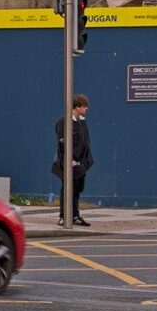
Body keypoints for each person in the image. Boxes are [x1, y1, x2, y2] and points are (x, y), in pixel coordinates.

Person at [51, 94, 94, 227]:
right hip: (69, 163)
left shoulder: (82, 121)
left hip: (82, 163)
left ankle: (75, 215)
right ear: (77, 107)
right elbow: (61, 143)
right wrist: (69, 160)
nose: (86, 108)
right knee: (67, 189)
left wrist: (86, 161)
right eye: (84, 106)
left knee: (77, 190)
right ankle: (63, 217)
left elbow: (86, 141)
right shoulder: (63, 122)